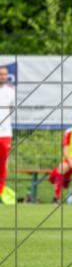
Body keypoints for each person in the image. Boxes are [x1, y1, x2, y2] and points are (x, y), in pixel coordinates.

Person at [0, 66, 14, 204]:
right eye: (0, 74)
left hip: (5, 134)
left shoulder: (11, 92)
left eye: (5, 74)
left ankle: (0, 193)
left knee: (3, 165)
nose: (3, 77)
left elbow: (11, 109)